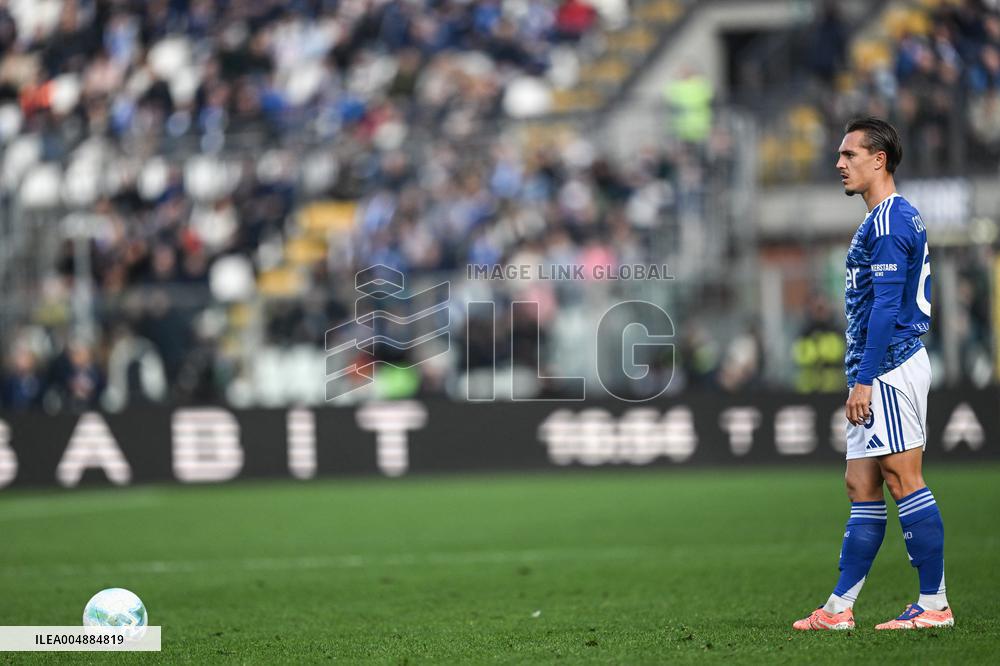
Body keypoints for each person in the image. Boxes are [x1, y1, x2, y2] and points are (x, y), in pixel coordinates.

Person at [793, 117, 952, 631]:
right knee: (861, 484)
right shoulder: (888, 218)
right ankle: (838, 609)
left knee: (904, 480)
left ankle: (934, 604)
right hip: (878, 367)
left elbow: (885, 307)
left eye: (850, 154)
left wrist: (864, 379)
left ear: (879, 159)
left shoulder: (888, 222)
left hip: (888, 366)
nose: (839, 163)